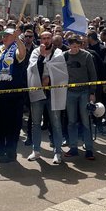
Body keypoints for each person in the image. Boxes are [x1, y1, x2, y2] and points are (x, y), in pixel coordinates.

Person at [0, 26, 27, 163]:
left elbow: (22, 54)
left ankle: (10, 153)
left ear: (14, 37)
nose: (3, 37)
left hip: (12, 96)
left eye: (7, 36)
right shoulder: (0, 49)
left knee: (11, 125)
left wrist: (18, 40)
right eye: (3, 35)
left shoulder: (15, 49)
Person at [26, 31, 67, 164]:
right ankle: (36, 150)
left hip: (53, 92)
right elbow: (31, 69)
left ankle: (58, 152)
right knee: (36, 123)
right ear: (40, 40)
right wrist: (41, 57)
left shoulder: (58, 53)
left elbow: (60, 71)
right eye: (44, 38)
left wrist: (49, 78)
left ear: (52, 39)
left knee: (56, 123)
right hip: (38, 92)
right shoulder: (35, 52)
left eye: (48, 38)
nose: (46, 40)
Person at [63, 35, 97, 160]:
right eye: (73, 46)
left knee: (86, 121)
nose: (75, 49)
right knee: (71, 121)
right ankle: (73, 148)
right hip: (70, 92)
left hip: (84, 92)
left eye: (77, 46)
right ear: (69, 45)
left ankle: (89, 149)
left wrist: (92, 92)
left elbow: (93, 74)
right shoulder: (64, 56)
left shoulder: (87, 56)